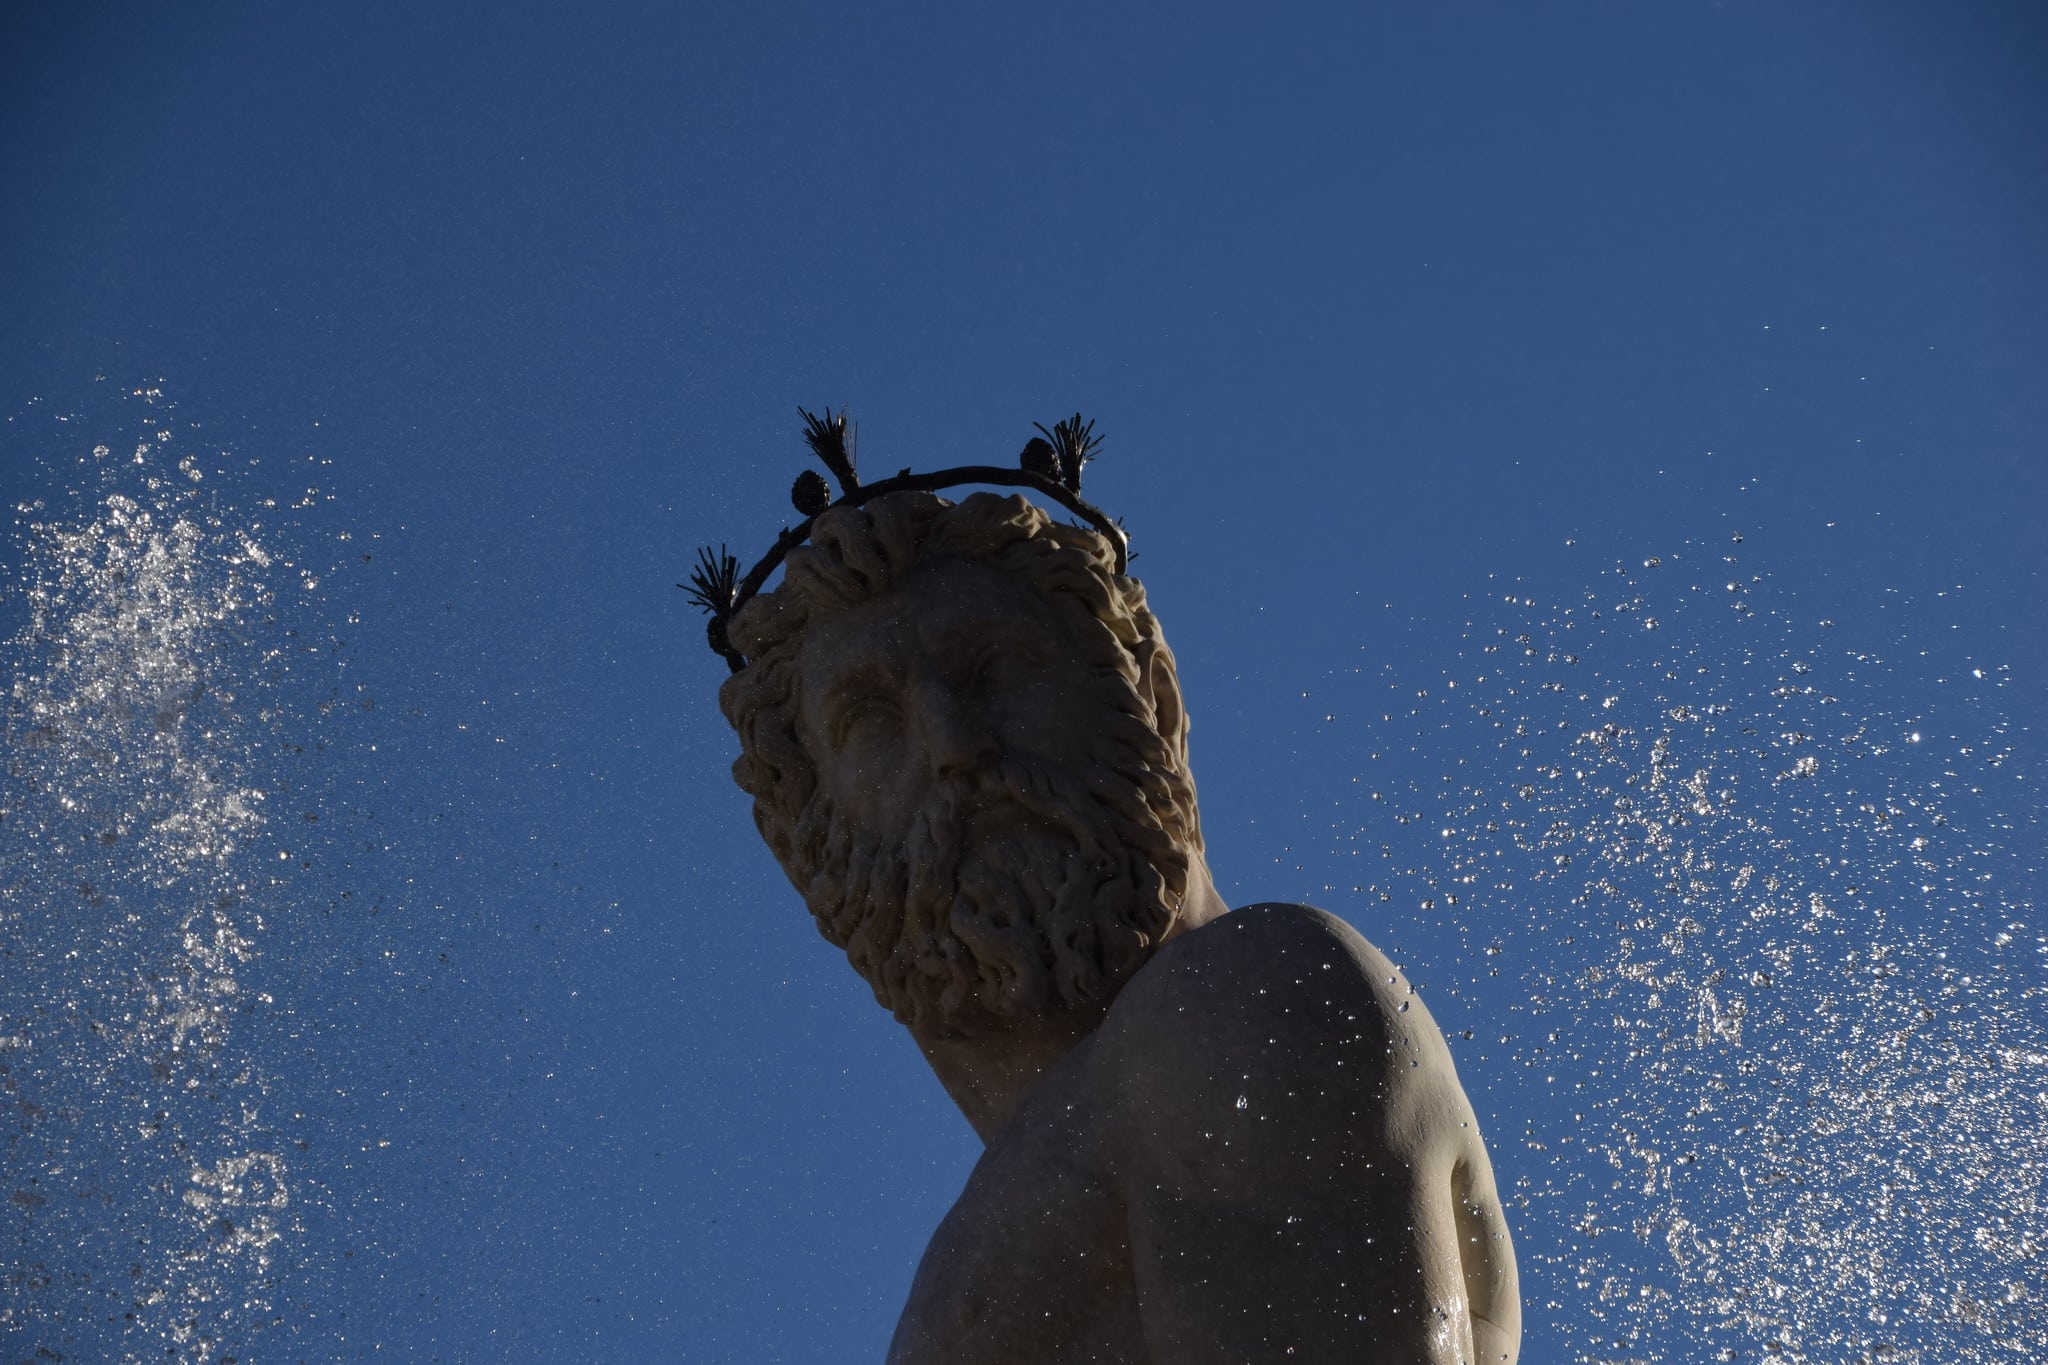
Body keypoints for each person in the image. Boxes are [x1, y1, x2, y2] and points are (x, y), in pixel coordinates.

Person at [716, 487, 1520, 1364]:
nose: (953, 743)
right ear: (812, 847)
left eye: (998, 670)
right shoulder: (1042, 1181)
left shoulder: (1235, 1006)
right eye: (870, 723)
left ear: (1153, 699)